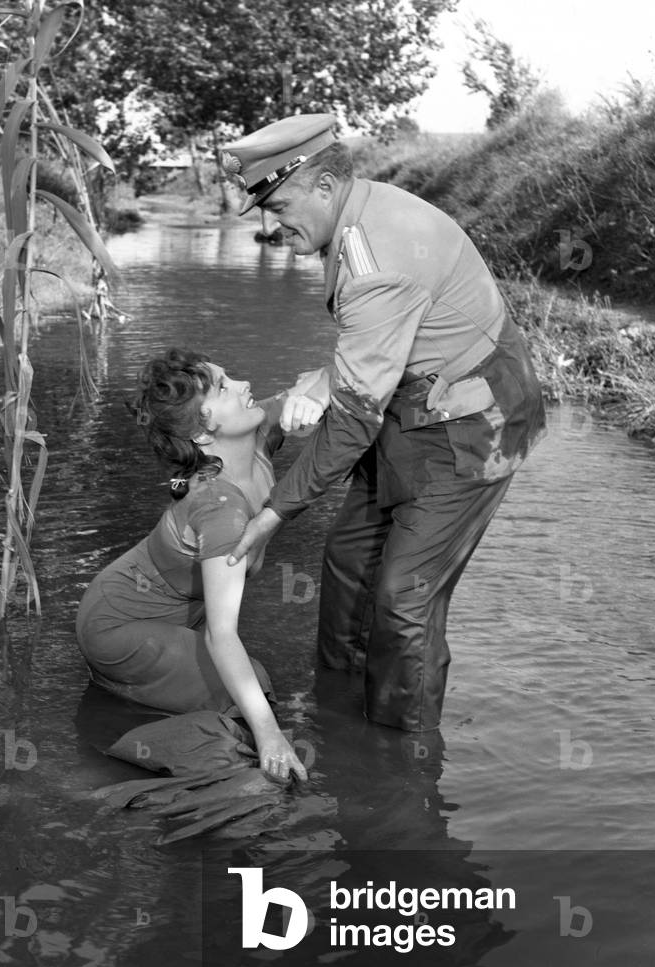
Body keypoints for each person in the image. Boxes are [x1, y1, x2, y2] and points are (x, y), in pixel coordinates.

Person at [219, 113, 547, 733]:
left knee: (403, 599)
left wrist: (271, 517)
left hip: (475, 424)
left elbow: (351, 420)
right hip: (413, 406)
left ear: (323, 185)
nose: (274, 223)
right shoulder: (350, 218)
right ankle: (340, 724)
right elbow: (376, 356)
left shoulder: (375, 259)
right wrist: (307, 392)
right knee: (348, 567)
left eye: (279, 204)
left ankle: (401, 761)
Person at [76, 348, 322, 782]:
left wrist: (311, 399)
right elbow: (221, 633)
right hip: (116, 624)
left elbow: (329, 376)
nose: (245, 385)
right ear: (205, 435)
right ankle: (125, 755)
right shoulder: (219, 508)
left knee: (246, 695)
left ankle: (135, 704)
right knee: (250, 698)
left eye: (229, 377)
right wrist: (271, 737)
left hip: (163, 617)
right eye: (225, 388)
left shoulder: (257, 433)